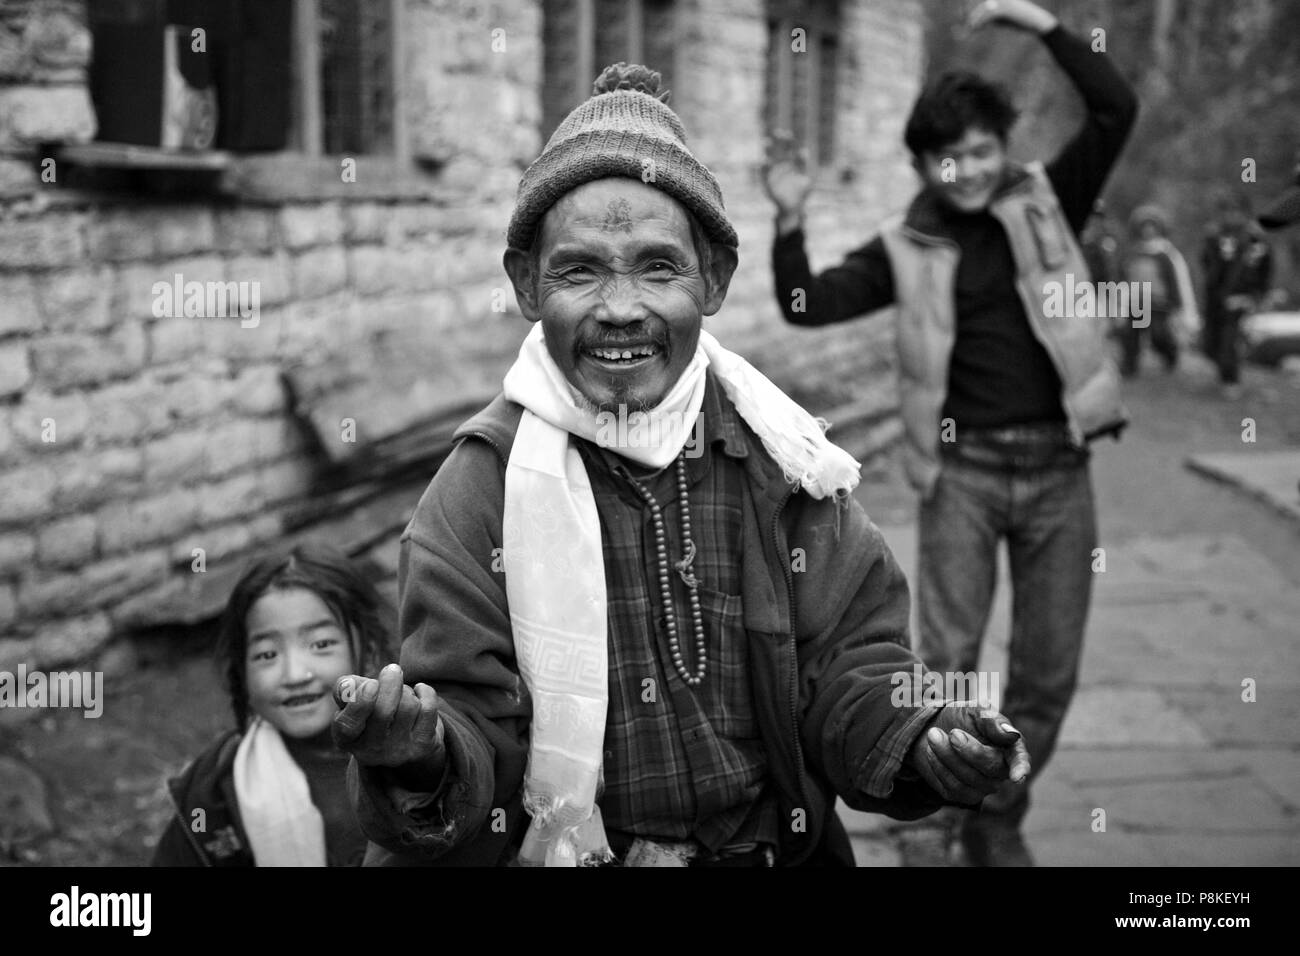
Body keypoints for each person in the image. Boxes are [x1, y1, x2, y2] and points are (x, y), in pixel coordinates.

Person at [329, 62, 1030, 868]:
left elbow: (851, 667)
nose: (621, 307)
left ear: (715, 280)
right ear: (526, 284)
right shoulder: (480, 491)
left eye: (659, 267)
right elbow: (466, 719)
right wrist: (418, 753)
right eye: (579, 269)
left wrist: (919, 733)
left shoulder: (783, 460)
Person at [764, 0, 1136, 865]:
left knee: (1048, 672)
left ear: (1003, 147)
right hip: (963, 475)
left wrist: (1036, 24)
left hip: (1059, 471)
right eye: (944, 156)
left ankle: (996, 816)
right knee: (945, 664)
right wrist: (788, 217)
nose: (963, 170)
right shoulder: (906, 243)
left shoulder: (1051, 201)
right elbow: (802, 304)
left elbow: (1117, 107)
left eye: (977, 150)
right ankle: (933, 819)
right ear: (922, 164)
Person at [151, 544, 396, 866]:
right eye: (267, 654)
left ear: (370, 651)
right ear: (241, 671)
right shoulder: (216, 787)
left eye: (321, 644)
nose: (294, 675)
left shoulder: (413, 756)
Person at [1201, 190, 1272, 398]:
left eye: (1236, 211)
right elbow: (1207, 265)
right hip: (1215, 299)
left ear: (1245, 213)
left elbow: (1264, 269)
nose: (1232, 216)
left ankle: (1231, 381)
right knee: (1209, 344)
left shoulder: (1255, 240)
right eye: (1227, 211)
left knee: (1228, 342)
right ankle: (1224, 372)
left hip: (1240, 299)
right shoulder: (1214, 236)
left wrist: (1257, 295)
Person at [1119, 204, 1197, 376]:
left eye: (1151, 226)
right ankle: (1129, 367)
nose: (1148, 231)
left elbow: (1176, 281)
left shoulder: (1165, 254)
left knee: (1158, 336)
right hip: (1137, 302)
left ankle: (1170, 354)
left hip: (1159, 302)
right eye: (1144, 227)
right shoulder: (1134, 253)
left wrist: (1177, 305)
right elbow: (1124, 277)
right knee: (1131, 335)